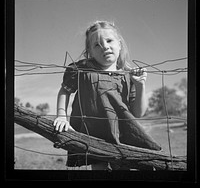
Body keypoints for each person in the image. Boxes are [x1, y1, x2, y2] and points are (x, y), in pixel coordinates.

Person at [53, 20, 161, 170]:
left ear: (119, 44)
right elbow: (65, 90)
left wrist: (140, 85)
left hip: (123, 137)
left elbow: (138, 113)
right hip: (92, 136)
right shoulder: (81, 69)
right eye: (97, 44)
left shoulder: (128, 75)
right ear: (89, 51)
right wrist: (61, 116)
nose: (105, 46)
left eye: (109, 40)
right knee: (99, 171)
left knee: (123, 170)